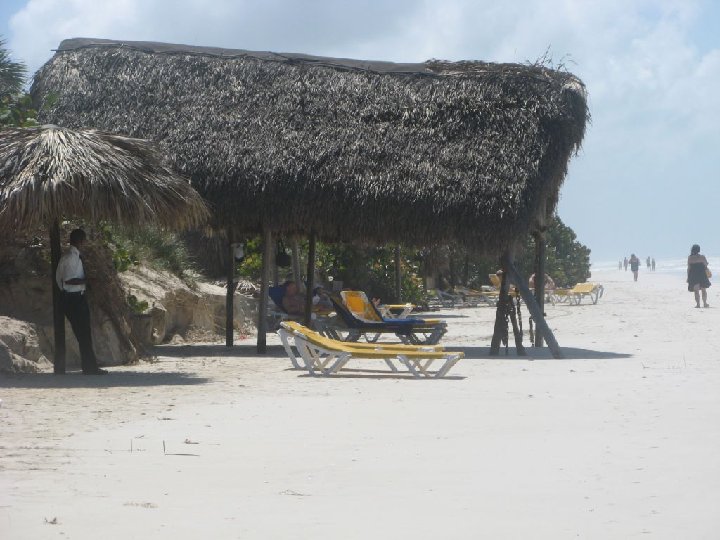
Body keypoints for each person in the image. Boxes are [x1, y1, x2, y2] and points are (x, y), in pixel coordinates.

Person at [55, 229, 106, 375]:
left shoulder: (74, 256)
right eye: (85, 240)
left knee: (84, 333)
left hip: (75, 297)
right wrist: (87, 281)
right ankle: (90, 368)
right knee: (83, 333)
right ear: (81, 241)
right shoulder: (71, 257)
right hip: (73, 298)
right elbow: (68, 280)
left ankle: (90, 366)